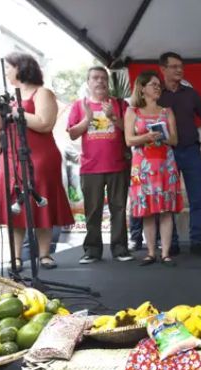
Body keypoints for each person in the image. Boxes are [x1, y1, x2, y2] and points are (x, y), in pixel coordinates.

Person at [0, 52, 74, 269]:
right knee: (15, 202)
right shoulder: (7, 96)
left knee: (40, 198)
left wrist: (16, 111)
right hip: (11, 155)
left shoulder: (42, 93)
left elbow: (44, 123)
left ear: (20, 67)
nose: (7, 72)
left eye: (9, 67)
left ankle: (44, 254)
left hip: (39, 155)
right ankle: (16, 257)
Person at [67, 66, 133, 264]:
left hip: (117, 165)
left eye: (103, 78)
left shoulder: (120, 105)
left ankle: (120, 248)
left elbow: (129, 130)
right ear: (88, 82)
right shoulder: (79, 105)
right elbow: (72, 133)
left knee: (119, 208)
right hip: (91, 167)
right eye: (95, 78)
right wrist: (88, 119)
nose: (100, 81)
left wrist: (113, 117)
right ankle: (92, 250)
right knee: (93, 210)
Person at [125, 70, 183, 266]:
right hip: (142, 166)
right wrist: (145, 137)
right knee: (147, 210)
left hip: (165, 164)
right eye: (153, 84)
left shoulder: (167, 111)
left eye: (159, 85)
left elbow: (174, 139)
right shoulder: (132, 111)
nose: (158, 87)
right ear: (142, 89)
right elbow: (128, 139)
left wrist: (161, 135)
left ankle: (165, 253)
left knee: (166, 209)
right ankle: (150, 252)